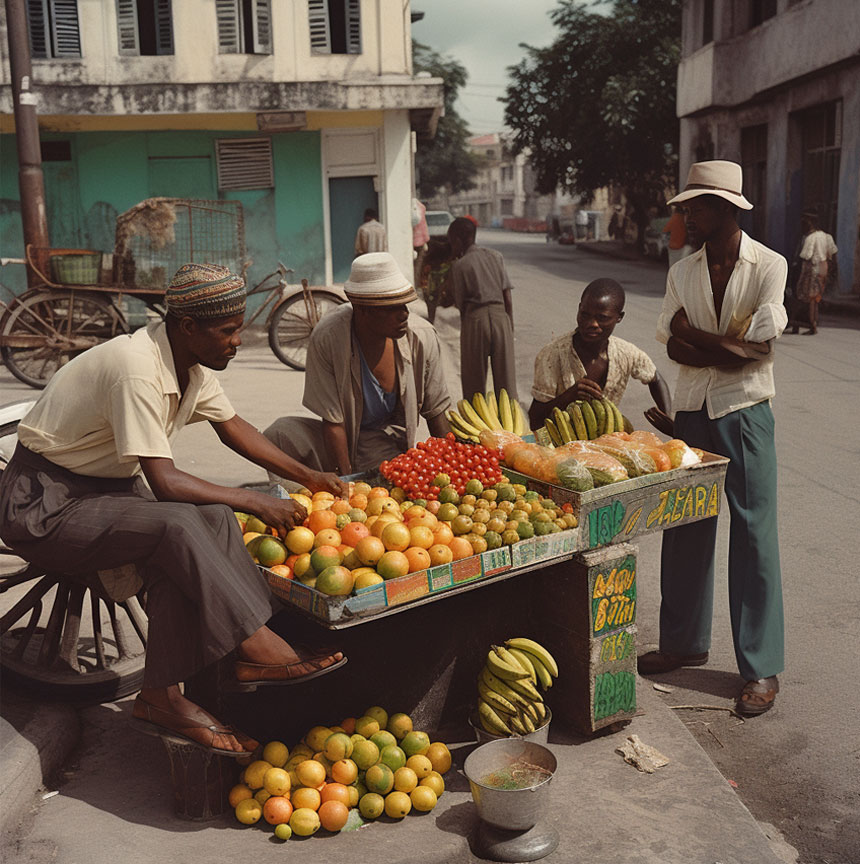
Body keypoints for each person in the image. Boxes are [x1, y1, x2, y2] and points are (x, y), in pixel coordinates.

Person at [0, 263, 347, 755]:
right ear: (188, 327)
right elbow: (164, 482)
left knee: (213, 517)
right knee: (181, 520)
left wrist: (307, 475)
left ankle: (164, 694)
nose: (238, 341)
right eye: (228, 331)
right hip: (44, 503)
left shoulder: (189, 365)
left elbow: (233, 427)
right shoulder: (137, 368)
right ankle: (254, 643)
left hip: (103, 493)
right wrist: (253, 498)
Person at [639, 160, 787, 717]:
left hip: (747, 412)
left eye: (696, 206)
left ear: (725, 209)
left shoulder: (768, 266)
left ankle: (761, 667)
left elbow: (760, 349)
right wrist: (721, 346)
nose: (687, 215)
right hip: (693, 411)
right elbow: (673, 349)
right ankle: (683, 643)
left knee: (753, 536)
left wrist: (695, 336)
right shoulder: (683, 271)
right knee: (686, 524)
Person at [264, 252, 452, 477]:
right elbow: (332, 421)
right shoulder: (329, 337)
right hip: (337, 437)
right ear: (362, 309)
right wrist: (345, 484)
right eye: (392, 307)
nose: (403, 315)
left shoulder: (422, 336)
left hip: (382, 444)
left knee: (393, 482)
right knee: (280, 435)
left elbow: (436, 411)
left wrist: (449, 468)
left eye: (405, 305)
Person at [528, 278, 672, 432]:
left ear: (619, 317)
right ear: (578, 309)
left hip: (607, 441)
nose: (592, 323)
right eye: (585, 315)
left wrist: (667, 417)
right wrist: (568, 397)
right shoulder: (553, 355)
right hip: (561, 445)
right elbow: (535, 420)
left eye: (602, 318)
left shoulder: (626, 353)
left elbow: (655, 378)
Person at [447, 216, 517, 400]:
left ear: (458, 240)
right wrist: (509, 326)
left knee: (474, 382)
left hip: (475, 319)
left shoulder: (460, 266)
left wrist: (467, 329)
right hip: (501, 317)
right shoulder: (496, 256)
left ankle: (476, 422)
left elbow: (460, 303)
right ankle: (511, 423)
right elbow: (507, 296)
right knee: (507, 380)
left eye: (451, 242)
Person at [790, 210, 837, 335]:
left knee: (803, 296)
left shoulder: (810, 238)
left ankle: (809, 324)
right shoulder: (827, 237)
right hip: (823, 268)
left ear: (811, 223)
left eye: (805, 223)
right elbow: (832, 254)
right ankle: (812, 322)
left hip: (811, 269)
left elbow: (806, 255)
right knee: (815, 298)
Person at [419, 236, 453, 326]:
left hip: (434, 289)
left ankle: (431, 319)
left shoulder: (429, 264)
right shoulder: (448, 264)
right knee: (432, 302)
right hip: (433, 288)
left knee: (431, 303)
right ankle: (431, 320)